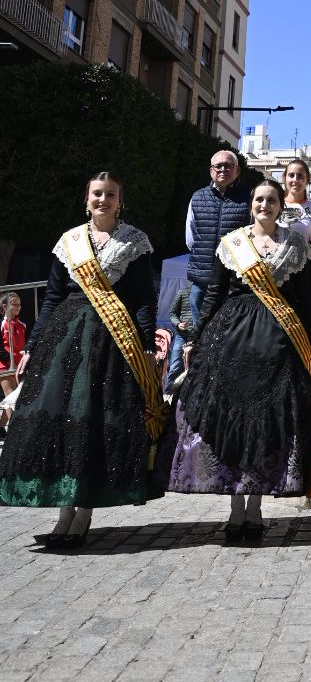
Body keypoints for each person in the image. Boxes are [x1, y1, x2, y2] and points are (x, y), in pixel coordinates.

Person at [0, 171, 165, 548]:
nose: (103, 200)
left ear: (120, 200)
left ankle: (85, 510)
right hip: (66, 336)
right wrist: (32, 346)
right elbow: (54, 297)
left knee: (94, 420)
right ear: (86, 198)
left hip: (112, 341)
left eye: (110, 194)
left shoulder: (135, 242)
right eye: (97, 194)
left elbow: (142, 298)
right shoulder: (69, 241)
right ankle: (63, 511)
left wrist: (143, 345)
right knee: (60, 422)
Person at [167, 179, 311, 539]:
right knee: (232, 420)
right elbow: (214, 294)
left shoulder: (296, 246)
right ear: (251, 205)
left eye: (271, 200)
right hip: (232, 339)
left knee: (267, 424)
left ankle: (255, 507)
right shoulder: (232, 244)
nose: (264, 205)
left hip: (280, 344)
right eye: (259, 200)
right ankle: (236, 506)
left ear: (281, 205)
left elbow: (303, 299)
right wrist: (195, 337)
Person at [175, 148, 249, 384]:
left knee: (230, 338)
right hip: (202, 279)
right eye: (218, 166)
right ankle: (198, 384)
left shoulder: (249, 197)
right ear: (211, 170)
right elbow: (190, 238)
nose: (223, 169)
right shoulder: (197, 197)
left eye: (228, 165)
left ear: (237, 170)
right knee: (199, 336)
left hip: (234, 285)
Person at [279, 158, 311, 247]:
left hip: (304, 260)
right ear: (284, 178)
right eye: (291, 175)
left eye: (300, 176)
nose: (295, 180)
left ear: (307, 179)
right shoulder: (276, 206)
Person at [0, 293, 26, 431]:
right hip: (4, 365)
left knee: (14, 397)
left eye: (19, 304)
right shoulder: (1, 324)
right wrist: (9, 361)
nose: (18, 307)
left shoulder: (22, 324)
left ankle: (0, 426)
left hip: (18, 365)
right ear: (5, 307)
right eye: (14, 304)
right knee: (10, 395)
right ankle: (17, 431)